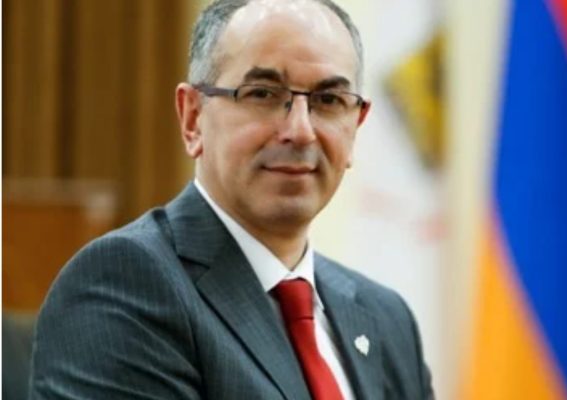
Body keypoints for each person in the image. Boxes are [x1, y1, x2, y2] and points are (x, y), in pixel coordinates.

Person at [29, 0, 434, 399]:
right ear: (193, 118)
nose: (300, 131)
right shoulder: (126, 283)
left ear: (356, 126)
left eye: (328, 101)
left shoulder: (386, 318)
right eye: (263, 94)